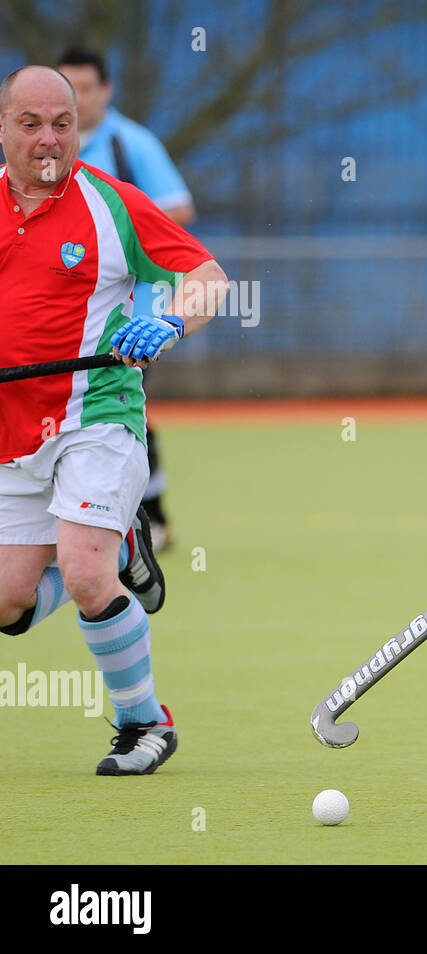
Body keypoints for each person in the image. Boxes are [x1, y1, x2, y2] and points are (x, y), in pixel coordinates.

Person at [0, 65, 227, 774]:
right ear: (4, 126)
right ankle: (114, 536)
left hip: (97, 414)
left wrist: (171, 324)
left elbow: (208, 278)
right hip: (11, 435)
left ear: (79, 130)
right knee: (8, 604)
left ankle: (143, 725)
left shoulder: (111, 204)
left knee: (87, 570)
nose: (47, 140)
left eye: (61, 125)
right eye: (30, 124)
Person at [58, 47, 197, 547]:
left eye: (86, 88)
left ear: (107, 90)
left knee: (122, 408)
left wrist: (122, 230)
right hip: (63, 314)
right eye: (65, 88)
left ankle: (148, 521)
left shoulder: (129, 143)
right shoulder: (44, 148)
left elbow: (180, 208)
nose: (75, 99)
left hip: (131, 312)